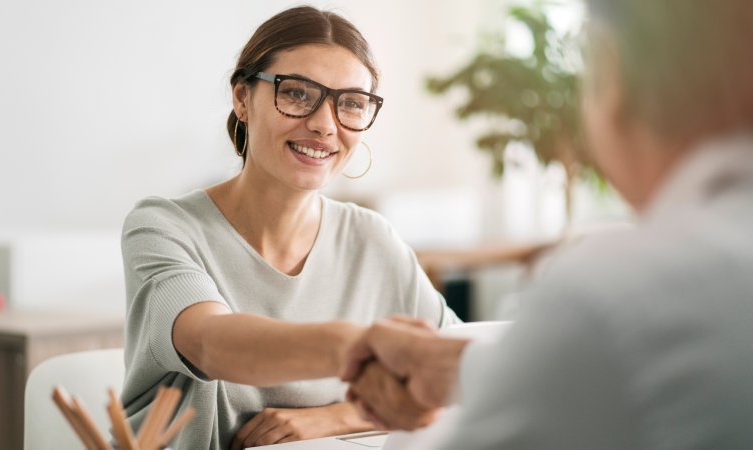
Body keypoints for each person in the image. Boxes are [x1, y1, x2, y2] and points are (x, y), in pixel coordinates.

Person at [342, 0, 753, 448]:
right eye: (297, 94)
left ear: (609, 75)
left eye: (351, 103)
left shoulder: (609, 294)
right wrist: (464, 367)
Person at [119, 6, 460, 450]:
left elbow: (452, 375)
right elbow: (210, 343)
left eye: (351, 104)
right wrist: (358, 347)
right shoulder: (164, 226)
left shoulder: (373, 239)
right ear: (242, 98)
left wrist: (337, 417)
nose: (324, 125)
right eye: (298, 94)